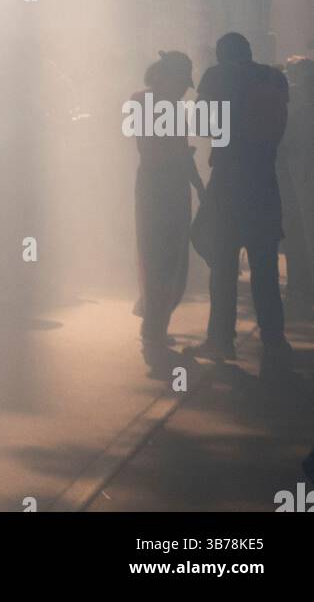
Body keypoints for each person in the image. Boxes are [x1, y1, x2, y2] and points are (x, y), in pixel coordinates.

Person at [196, 32, 292, 371]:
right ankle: (274, 339)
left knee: (223, 264)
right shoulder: (274, 77)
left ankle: (221, 339)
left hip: (229, 180)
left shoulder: (216, 76)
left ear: (222, 54)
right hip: (264, 180)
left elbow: (204, 123)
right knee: (264, 265)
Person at [131, 51, 203, 368]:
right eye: (181, 82)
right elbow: (154, 148)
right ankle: (153, 326)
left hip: (172, 186)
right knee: (158, 255)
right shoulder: (143, 101)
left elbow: (181, 152)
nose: (185, 90)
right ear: (166, 77)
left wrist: (198, 187)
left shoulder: (173, 106)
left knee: (173, 258)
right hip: (157, 185)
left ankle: (155, 320)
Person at [278, 58, 314, 317]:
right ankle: (298, 290)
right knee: (296, 235)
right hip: (293, 183)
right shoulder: (293, 108)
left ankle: (299, 292)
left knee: (300, 236)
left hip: (299, 182)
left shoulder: (297, 110)